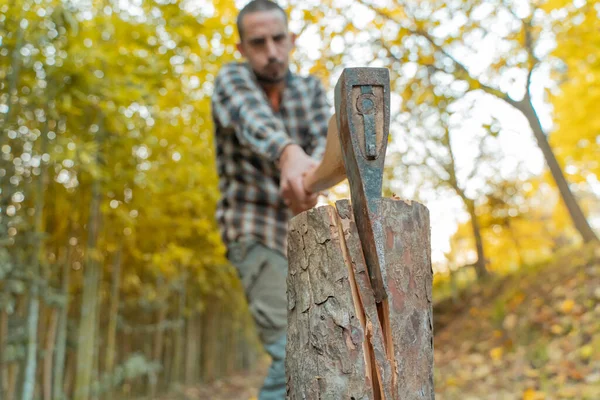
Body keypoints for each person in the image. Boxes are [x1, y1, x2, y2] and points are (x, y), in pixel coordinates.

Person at [210, 0, 331, 398]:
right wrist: (288, 154)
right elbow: (251, 120)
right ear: (242, 49)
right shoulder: (231, 80)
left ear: (292, 40)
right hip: (253, 230)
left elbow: (321, 147)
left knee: (321, 344)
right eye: (258, 43)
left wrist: (310, 180)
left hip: (306, 234)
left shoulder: (311, 89)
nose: (272, 52)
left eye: (278, 39)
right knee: (290, 354)